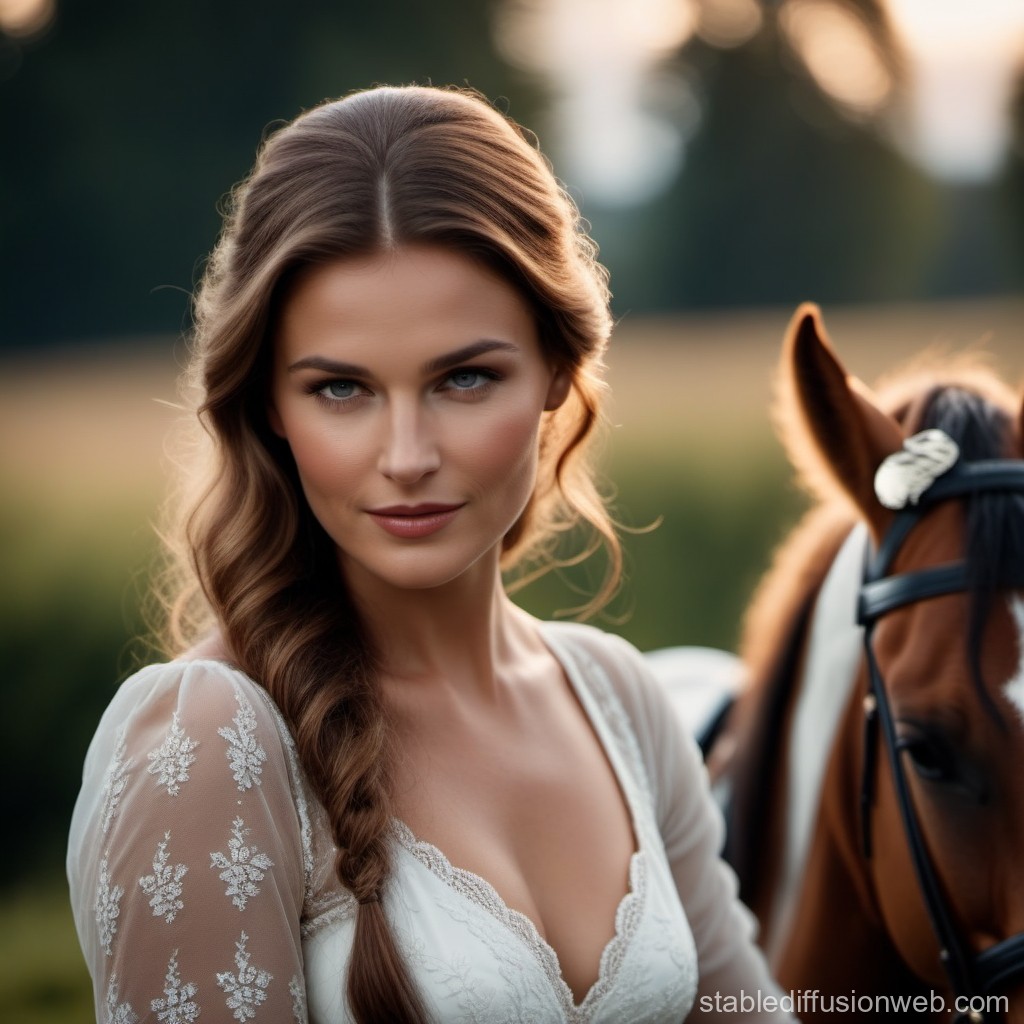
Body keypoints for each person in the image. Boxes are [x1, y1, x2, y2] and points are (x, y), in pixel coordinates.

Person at [67, 84, 794, 1023]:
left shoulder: (620, 702)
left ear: (557, 372)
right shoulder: (210, 740)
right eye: (341, 389)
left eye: (465, 377)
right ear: (269, 409)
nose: (407, 457)